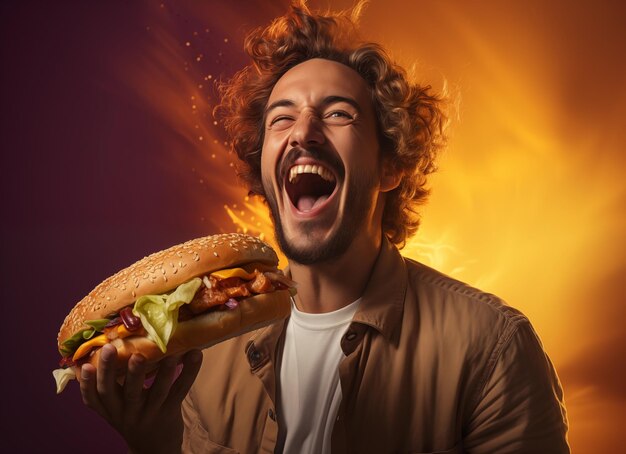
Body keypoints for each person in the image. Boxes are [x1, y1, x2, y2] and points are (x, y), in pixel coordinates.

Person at [79, 3, 569, 453]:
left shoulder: (493, 347)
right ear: (263, 168)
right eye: (281, 118)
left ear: (390, 168)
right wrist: (157, 444)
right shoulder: (199, 360)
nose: (303, 132)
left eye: (338, 114)